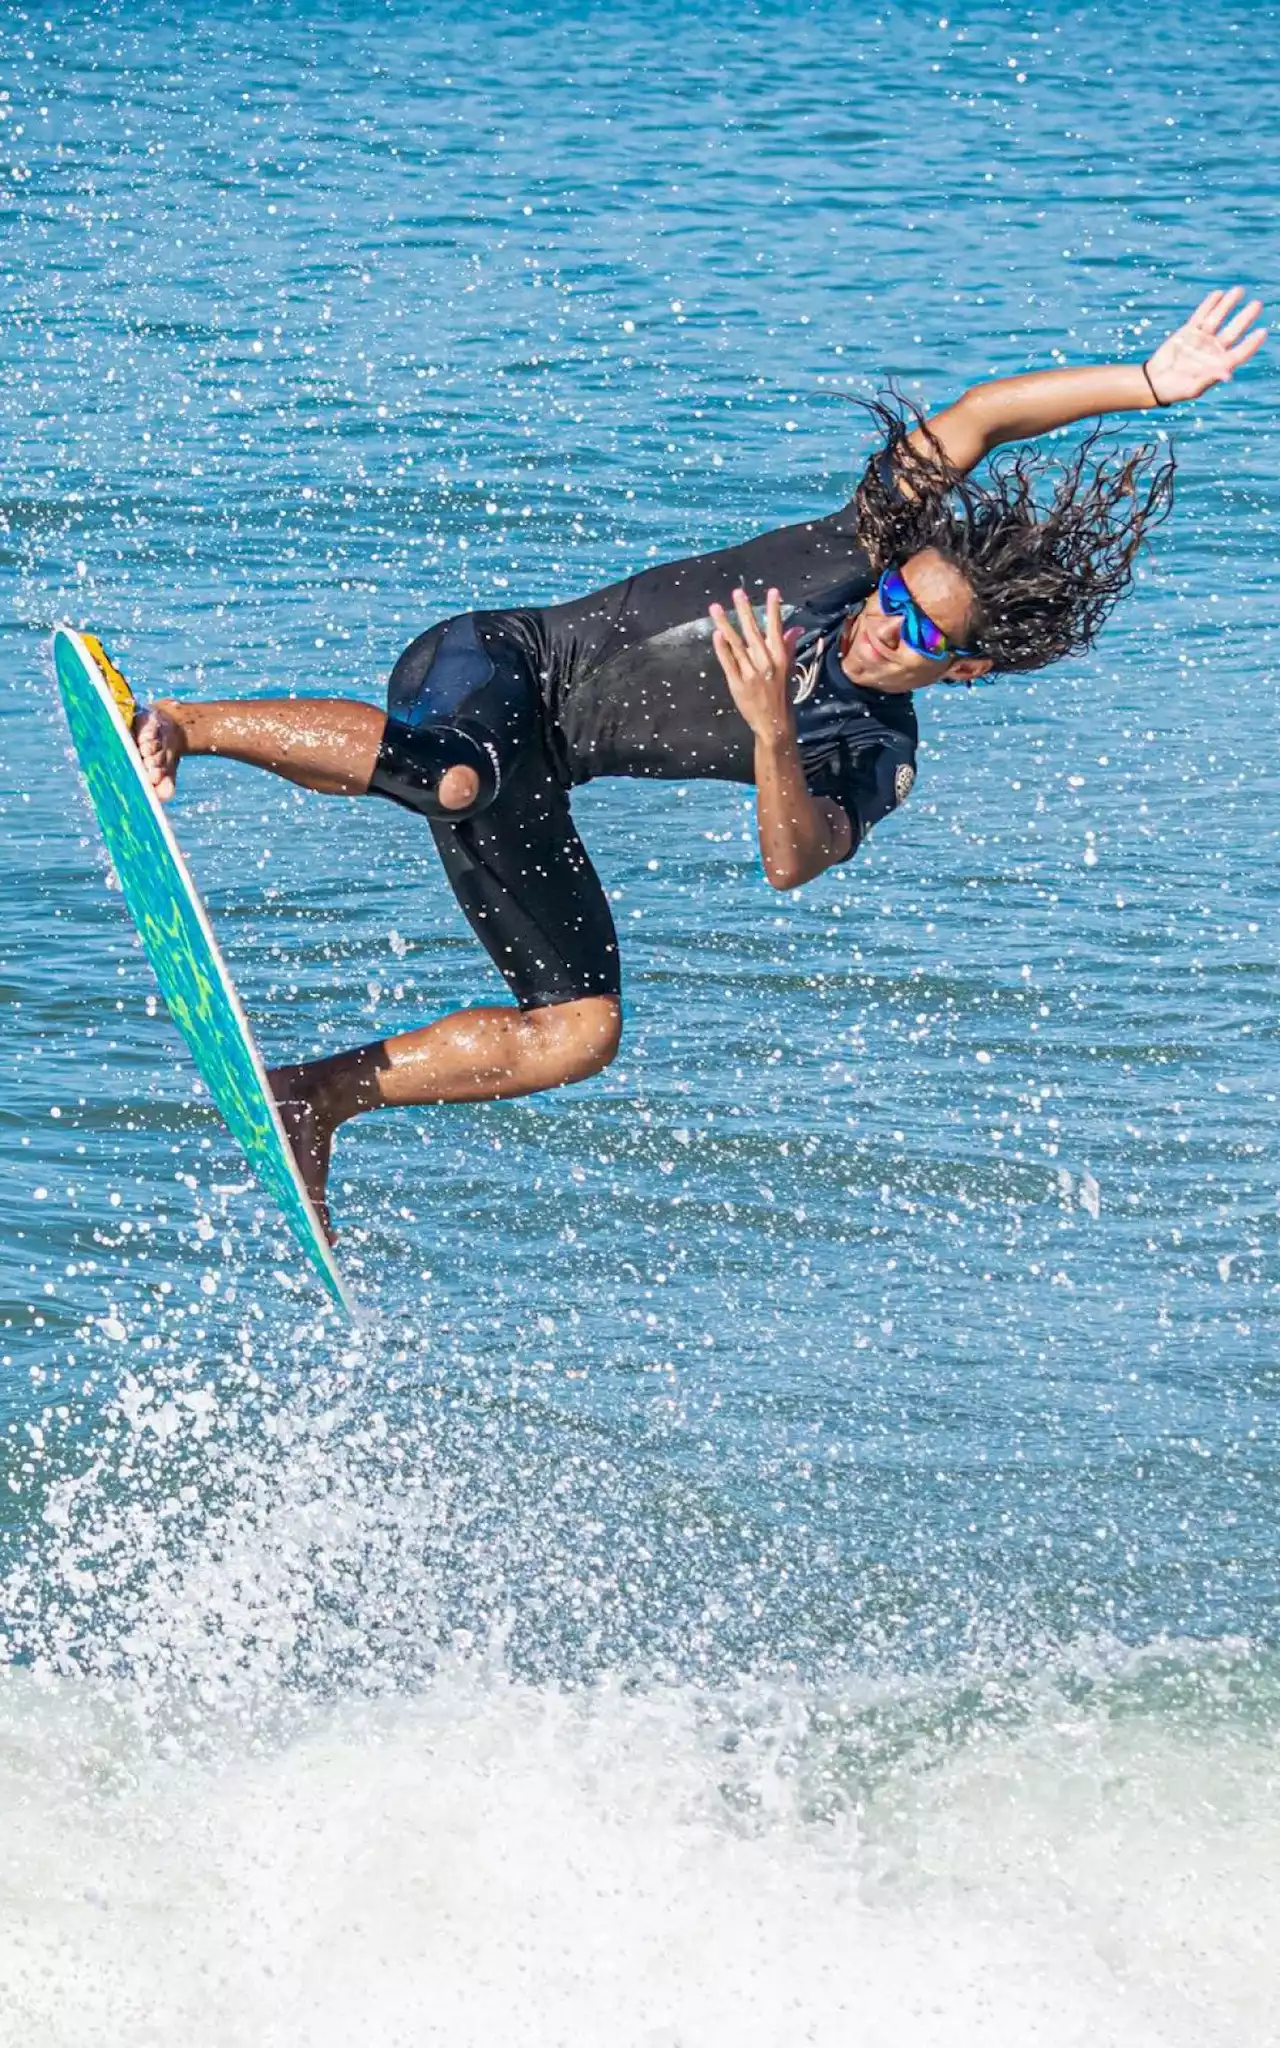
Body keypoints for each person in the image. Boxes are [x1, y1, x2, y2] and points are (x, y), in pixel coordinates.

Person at [131, 287, 1265, 1232]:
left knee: (584, 1029)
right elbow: (978, 419)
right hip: (490, 664)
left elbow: (794, 858)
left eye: (918, 635)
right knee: (457, 770)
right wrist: (1147, 384)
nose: (882, 626)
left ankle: (313, 1098)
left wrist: (773, 726)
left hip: (534, 774)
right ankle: (182, 719)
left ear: (960, 671)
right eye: (891, 603)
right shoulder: (850, 546)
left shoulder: (871, 750)